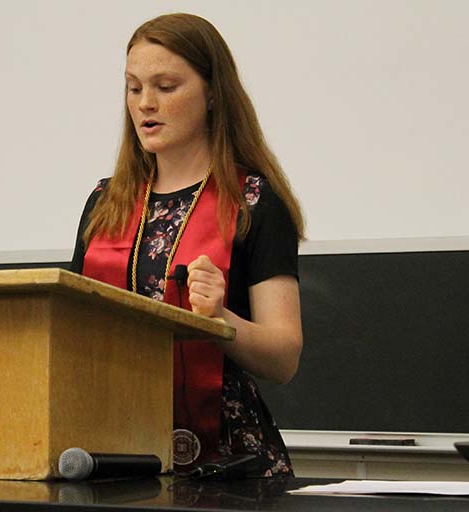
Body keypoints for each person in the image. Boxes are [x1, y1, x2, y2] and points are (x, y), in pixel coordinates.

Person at [70, 13, 305, 478]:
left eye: (166, 86)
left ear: (213, 93)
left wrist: (222, 320)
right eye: (134, 88)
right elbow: (72, 334)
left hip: (228, 462)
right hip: (115, 452)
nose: (145, 104)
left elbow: (284, 358)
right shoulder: (105, 203)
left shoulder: (253, 202)